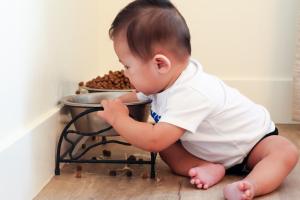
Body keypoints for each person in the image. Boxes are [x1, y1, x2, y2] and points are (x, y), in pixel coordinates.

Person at [97, 0, 299, 199]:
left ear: (160, 64)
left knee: (285, 151)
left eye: (127, 66)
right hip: (208, 153)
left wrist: (119, 119)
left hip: (253, 144)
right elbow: (135, 97)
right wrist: (109, 104)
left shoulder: (193, 92)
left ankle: (251, 185)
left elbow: (154, 139)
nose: (125, 73)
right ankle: (207, 167)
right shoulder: (161, 82)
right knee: (168, 147)